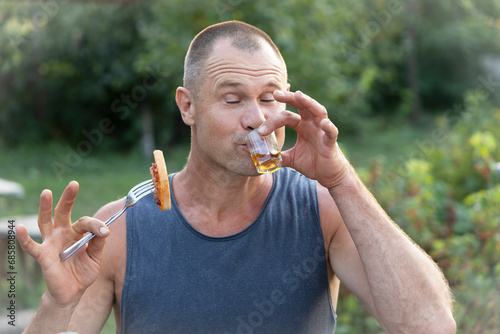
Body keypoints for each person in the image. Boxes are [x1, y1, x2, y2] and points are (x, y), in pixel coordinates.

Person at [16, 21, 456, 333]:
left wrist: (341, 180)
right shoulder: (121, 231)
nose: (257, 119)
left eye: (269, 98)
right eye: (232, 100)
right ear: (187, 106)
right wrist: (58, 305)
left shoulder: (322, 209)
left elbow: (430, 327)